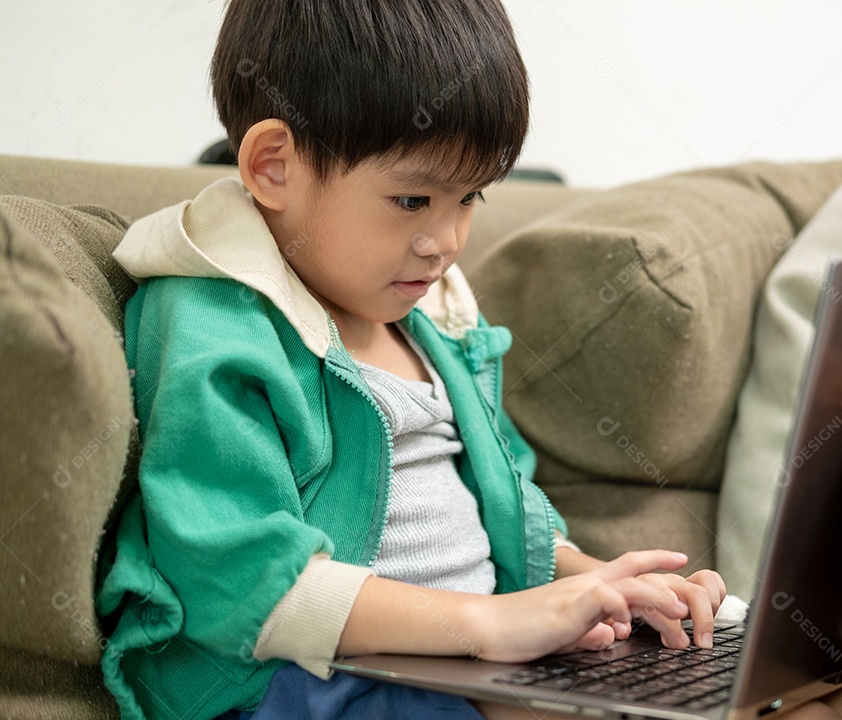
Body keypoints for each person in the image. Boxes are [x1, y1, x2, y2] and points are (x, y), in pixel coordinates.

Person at [94, 1, 727, 719]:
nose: (446, 240)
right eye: (412, 198)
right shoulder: (215, 319)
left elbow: (505, 514)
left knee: (757, 698)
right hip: (304, 679)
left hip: (464, 659)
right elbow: (238, 577)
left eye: (470, 198)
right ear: (274, 165)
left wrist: (606, 588)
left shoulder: (430, 321)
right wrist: (490, 626)